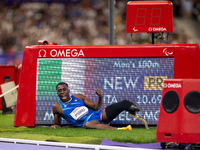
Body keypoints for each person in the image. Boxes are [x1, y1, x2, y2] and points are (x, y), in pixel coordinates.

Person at [51, 82, 140, 130]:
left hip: (99, 115)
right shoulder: (57, 107)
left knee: (124, 103)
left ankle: (132, 110)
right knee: (87, 125)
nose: (62, 92)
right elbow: (57, 124)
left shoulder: (78, 96)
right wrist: (55, 126)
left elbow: (96, 107)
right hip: (89, 123)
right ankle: (120, 129)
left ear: (68, 90)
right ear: (57, 93)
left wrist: (100, 97)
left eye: (64, 89)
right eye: (59, 91)